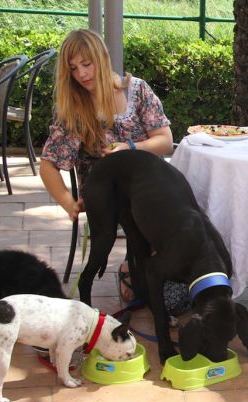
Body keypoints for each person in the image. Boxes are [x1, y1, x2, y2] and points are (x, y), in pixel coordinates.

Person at [39, 29, 174, 304]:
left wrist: (130, 147)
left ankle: (144, 268)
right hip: (108, 193)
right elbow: (48, 165)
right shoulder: (74, 107)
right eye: (74, 69)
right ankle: (139, 269)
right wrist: (68, 201)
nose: (82, 74)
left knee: (185, 211)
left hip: (147, 185)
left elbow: (166, 142)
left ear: (102, 58)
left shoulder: (137, 91)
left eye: (86, 64)